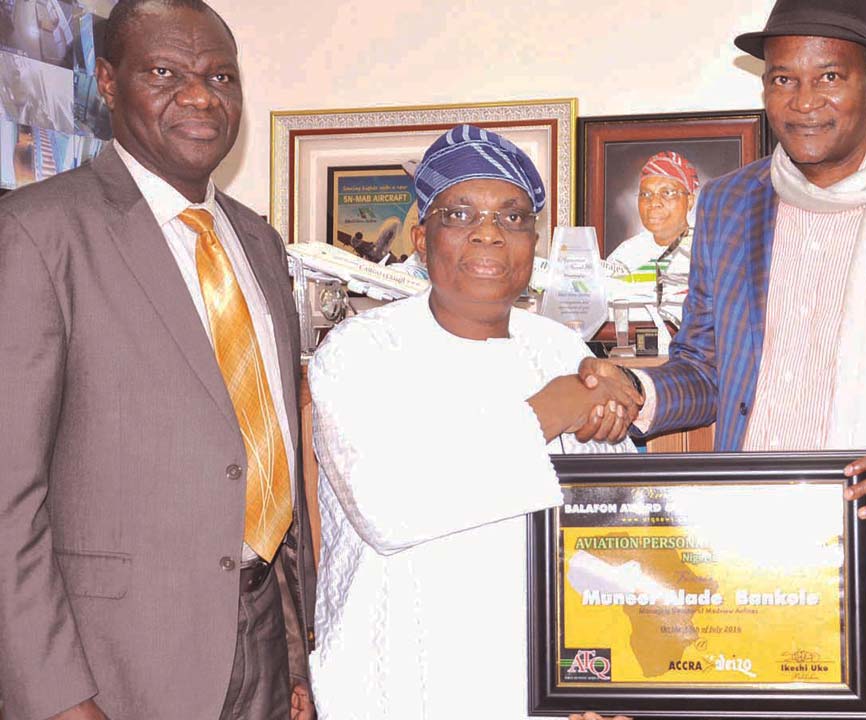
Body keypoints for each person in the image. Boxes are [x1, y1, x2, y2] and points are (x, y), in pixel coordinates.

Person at [581, 1, 866, 718]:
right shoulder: (728, 204)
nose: (804, 101)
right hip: (751, 559)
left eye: (829, 77)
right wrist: (634, 390)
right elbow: (706, 368)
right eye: (783, 79)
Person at [0, 1, 316, 719]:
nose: (200, 96)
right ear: (109, 83)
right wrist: (56, 696)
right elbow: (7, 496)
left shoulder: (259, 242)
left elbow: (266, 455)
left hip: (264, 641)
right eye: (165, 73)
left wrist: (296, 654)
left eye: (220, 76)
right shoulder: (38, 234)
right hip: (116, 665)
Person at [307, 125, 637, 720]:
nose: (489, 232)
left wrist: (608, 673)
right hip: (398, 682)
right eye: (459, 214)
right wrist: (552, 410)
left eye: (512, 217)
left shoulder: (563, 349)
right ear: (421, 238)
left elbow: (611, 525)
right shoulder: (362, 351)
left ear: (533, 244)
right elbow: (390, 508)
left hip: (542, 685)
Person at [606, 150, 700, 323]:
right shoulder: (626, 254)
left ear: (690, 201)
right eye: (645, 194)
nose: (654, 203)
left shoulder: (706, 253)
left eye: (667, 193)